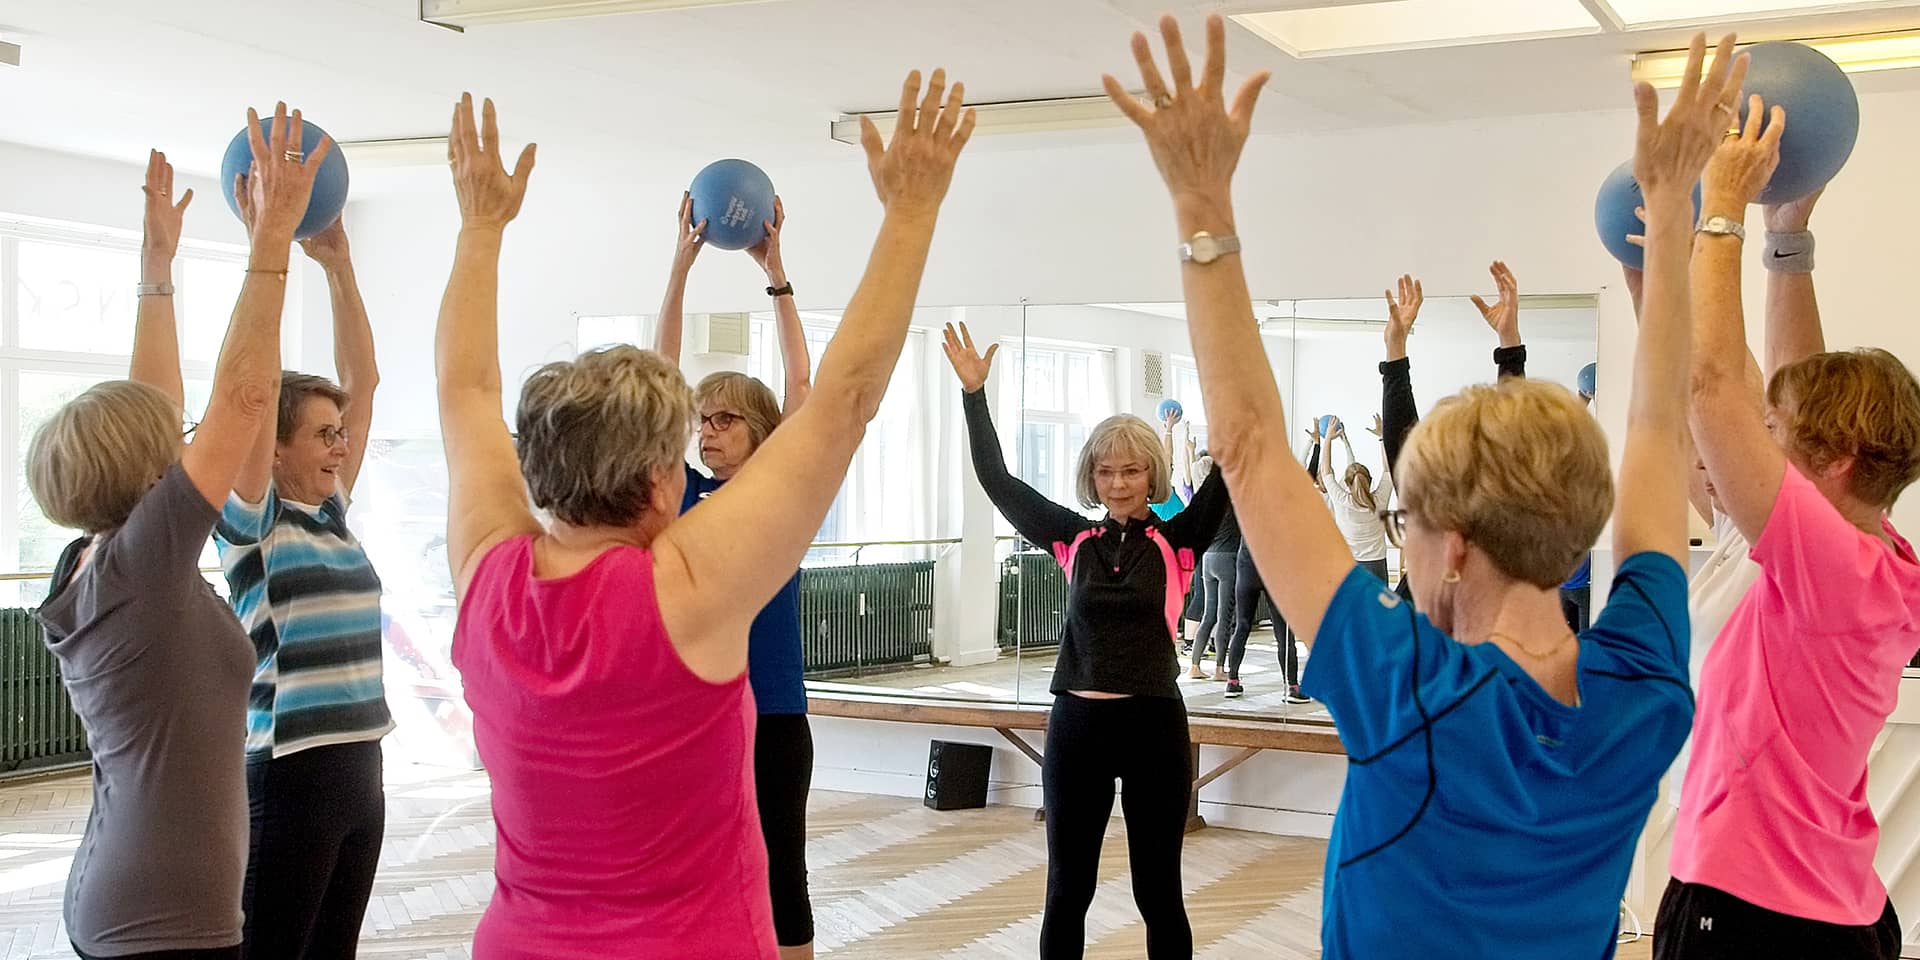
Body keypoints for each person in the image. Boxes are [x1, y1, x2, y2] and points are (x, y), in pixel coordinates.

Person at [1107, 18, 1730, 956]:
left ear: (1460, 544)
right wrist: (1676, 217)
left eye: (1410, 521)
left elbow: (1247, 448)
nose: (1405, 539)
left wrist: (1201, 205)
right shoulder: (1644, 680)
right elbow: (1655, 427)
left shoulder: (1411, 691)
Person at [438, 80, 972, 959]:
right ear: (661, 484)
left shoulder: (484, 576)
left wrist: (479, 230)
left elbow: (464, 393)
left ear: (531, 464)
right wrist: (911, 209)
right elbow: (842, 402)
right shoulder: (688, 588)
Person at [28, 116, 324, 960]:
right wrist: (271, 241)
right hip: (155, 914)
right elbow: (239, 399)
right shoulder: (135, 570)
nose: (182, 437)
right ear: (149, 474)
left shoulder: (108, 560)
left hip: (145, 895)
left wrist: (157, 269)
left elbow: (150, 411)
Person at [1659, 87, 1920, 959]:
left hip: (1751, 915)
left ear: (1835, 460)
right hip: (1828, 909)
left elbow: (1708, 387)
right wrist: (1788, 236)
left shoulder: (1830, 567)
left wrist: (1722, 206)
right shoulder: (1880, 558)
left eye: (1777, 435)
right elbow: (1792, 384)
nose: (1757, 439)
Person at [943, 319, 1227, 959]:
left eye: (1131, 471)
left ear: (1151, 475)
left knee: (1160, 893)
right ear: (1091, 478)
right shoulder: (1074, 539)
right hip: (1077, 730)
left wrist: (1232, 374)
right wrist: (973, 395)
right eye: (1106, 472)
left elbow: (1234, 465)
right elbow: (999, 482)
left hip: (1154, 727)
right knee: (1068, 890)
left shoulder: (1179, 540)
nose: (1119, 483)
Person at [214, 196, 389, 958]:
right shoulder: (253, 524)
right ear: (273, 448)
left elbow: (366, 379)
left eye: (342, 434)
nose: (342, 447)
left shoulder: (332, 513)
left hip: (362, 764)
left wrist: (342, 267)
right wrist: (272, 248)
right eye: (324, 435)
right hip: (290, 772)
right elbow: (246, 389)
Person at [654, 190, 819, 960]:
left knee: (781, 870)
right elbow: (657, 379)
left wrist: (777, 275)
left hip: (774, 714)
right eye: (702, 420)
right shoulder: (677, 491)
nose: (708, 432)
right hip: (691, 712)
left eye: (725, 420)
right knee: (695, 873)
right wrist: (680, 267)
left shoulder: (777, 493)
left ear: (761, 433)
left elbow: (804, 392)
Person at [1379, 264, 1530, 607]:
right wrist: (1395, 348)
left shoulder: (1493, 503)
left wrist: (1510, 343)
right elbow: (1402, 441)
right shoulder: (1429, 503)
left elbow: (1512, 425)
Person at [1316, 418, 1391, 582]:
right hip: (1377, 564)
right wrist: (1382, 438)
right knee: (1378, 608)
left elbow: (1325, 471)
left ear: (1348, 484)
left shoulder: (1341, 500)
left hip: (1349, 566)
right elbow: (1388, 469)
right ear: (1369, 480)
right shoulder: (1380, 500)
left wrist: (1328, 438)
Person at [1186, 456, 1238, 683]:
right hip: (1227, 560)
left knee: (1208, 615)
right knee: (1223, 617)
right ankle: (1219, 668)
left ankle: (1194, 665)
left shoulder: (1202, 504)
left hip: (1207, 560)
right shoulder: (1227, 500)